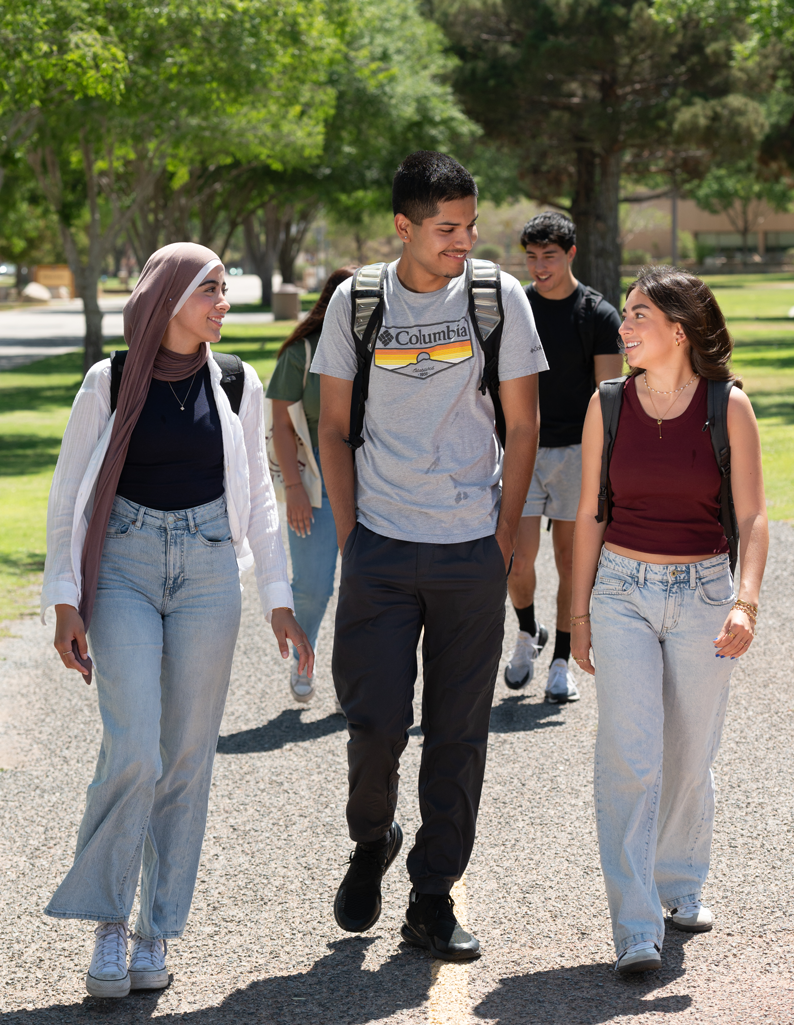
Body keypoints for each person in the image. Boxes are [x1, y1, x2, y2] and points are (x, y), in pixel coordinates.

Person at [40, 243, 313, 999]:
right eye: (210, 291)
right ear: (168, 297)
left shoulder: (235, 379)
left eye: (225, 290)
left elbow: (257, 494)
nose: (223, 304)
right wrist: (67, 595)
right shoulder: (109, 380)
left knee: (187, 755)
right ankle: (108, 923)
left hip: (207, 571)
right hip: (123, 563)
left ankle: (157, 927)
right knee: (133, 748)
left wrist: (279, 598)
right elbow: (70, 496)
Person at [313, 151, 547, 961]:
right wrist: (351, 535)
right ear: (404, 227)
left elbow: (523, 426)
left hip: (467, 551)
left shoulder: (496, 296)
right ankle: (372, 838)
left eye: (471, 225)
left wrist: (501, 528)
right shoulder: (358, 300)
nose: (465, 240)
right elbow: (332, 426)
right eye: (447, 228)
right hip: (379, 545)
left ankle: (432, 896)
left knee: (459, 733)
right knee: (373, 722)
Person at [570, 267, 768, 974]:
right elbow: (591, 512)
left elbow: (752, 516)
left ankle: (679, 882)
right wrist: (580, 615)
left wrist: (745, 600)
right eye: (624, 314)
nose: (623, 327)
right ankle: (635, 926)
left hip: (706, 591)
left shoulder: (728, 405)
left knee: (689, 751)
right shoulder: (608, 404)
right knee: (630, 754)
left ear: (677, 331)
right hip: (622, 589)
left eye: (638, 315)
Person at [504, 212, 623, 703]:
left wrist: (602, 466)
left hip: (579, 453)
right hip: (524, 450)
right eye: (531, 257)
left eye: (548, 257)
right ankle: (528, 634)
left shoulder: (598, 315)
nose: (538, 267)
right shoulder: (517, 308)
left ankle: (561, 661)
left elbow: (609, 397)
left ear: (571, 254)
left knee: (572, 563)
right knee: (518, 561)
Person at [266, 267, 355, 703]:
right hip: (315, 478)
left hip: (371, 476)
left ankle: (351, 681)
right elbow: (281, 424)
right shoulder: (301, 352)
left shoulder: (380, 348)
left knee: (364, 584)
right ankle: (306, 658)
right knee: (313, 586)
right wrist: (295, 489)